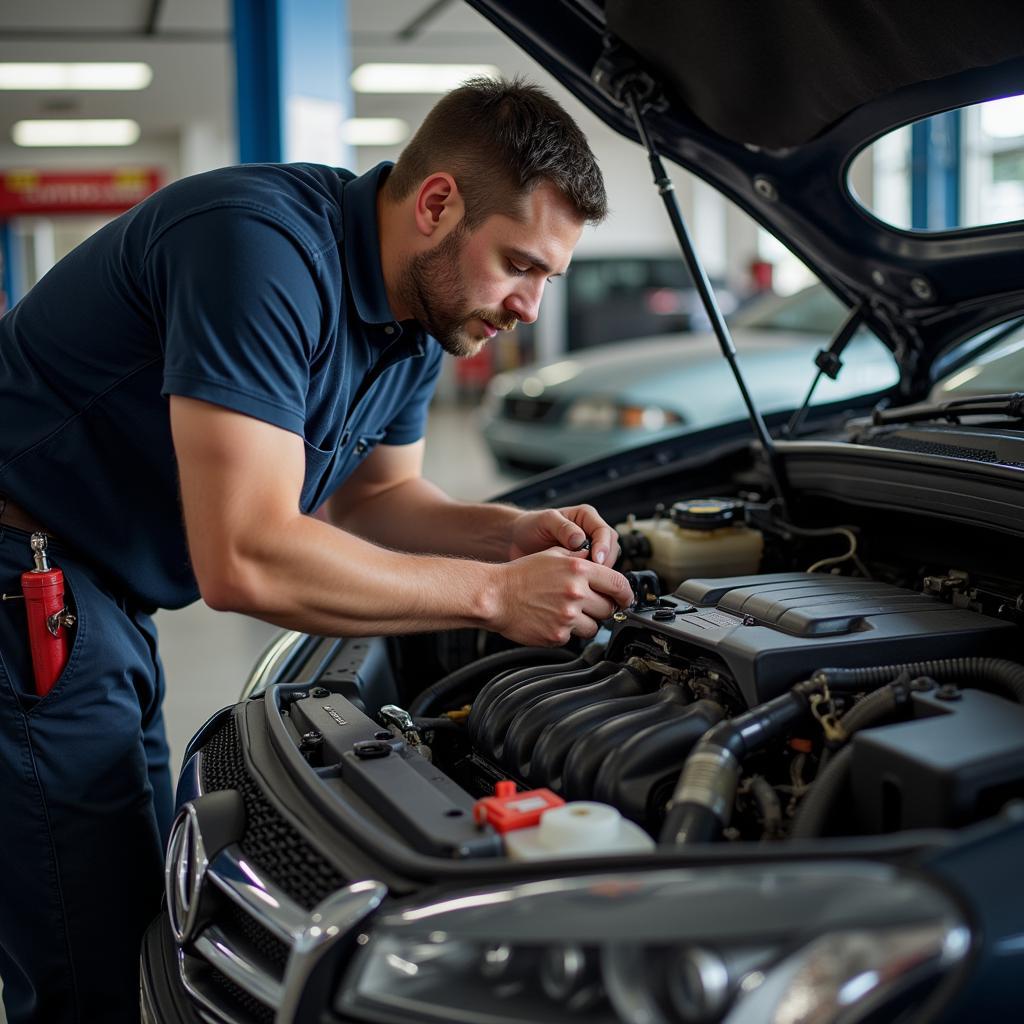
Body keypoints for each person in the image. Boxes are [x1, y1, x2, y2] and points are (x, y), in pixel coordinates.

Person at [0, 77, 634, 1023]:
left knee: (133, 908)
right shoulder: (257, 250)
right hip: (23, 579)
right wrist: (494, 598)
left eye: (548, 277)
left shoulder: (421, 321)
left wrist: (510, 539)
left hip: (103, 594)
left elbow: (378, 499)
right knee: (86, 957)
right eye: (520, 264)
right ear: (436, 205)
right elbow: (247, 557)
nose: (531, 306)